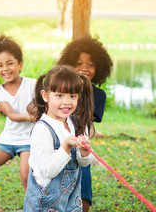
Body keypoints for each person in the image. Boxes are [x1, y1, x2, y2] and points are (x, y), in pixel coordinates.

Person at [0, 34, 36, 212]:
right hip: (9, 137)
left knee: (26, 177)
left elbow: (43, 104)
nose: (5, 69)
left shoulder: (33, 85)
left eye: (10, 63)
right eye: (0, 65)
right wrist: (30, 116)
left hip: (30, 138)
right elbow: (11, 114)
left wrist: (38, 109)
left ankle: (32, 209)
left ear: (20, 64)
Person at [24, 65, 95, 211]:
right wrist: (66, 147)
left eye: (73, 96)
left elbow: (83, 162)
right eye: (59, 95)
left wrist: (85, 152)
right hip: (45, 202)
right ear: (45, 96)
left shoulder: (77, 124)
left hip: (71, 198)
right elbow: (48, 171)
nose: (67, 102)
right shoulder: (42, 129)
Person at [57, 35, 113, 211]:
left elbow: (86, 117)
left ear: (99, 68)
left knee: (84, 197)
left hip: (81, 150)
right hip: (58, 147)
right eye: (79, 63)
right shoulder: (58, 91)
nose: (84, 69)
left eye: (90, 65)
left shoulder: (98, 95)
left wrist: (81, 89)